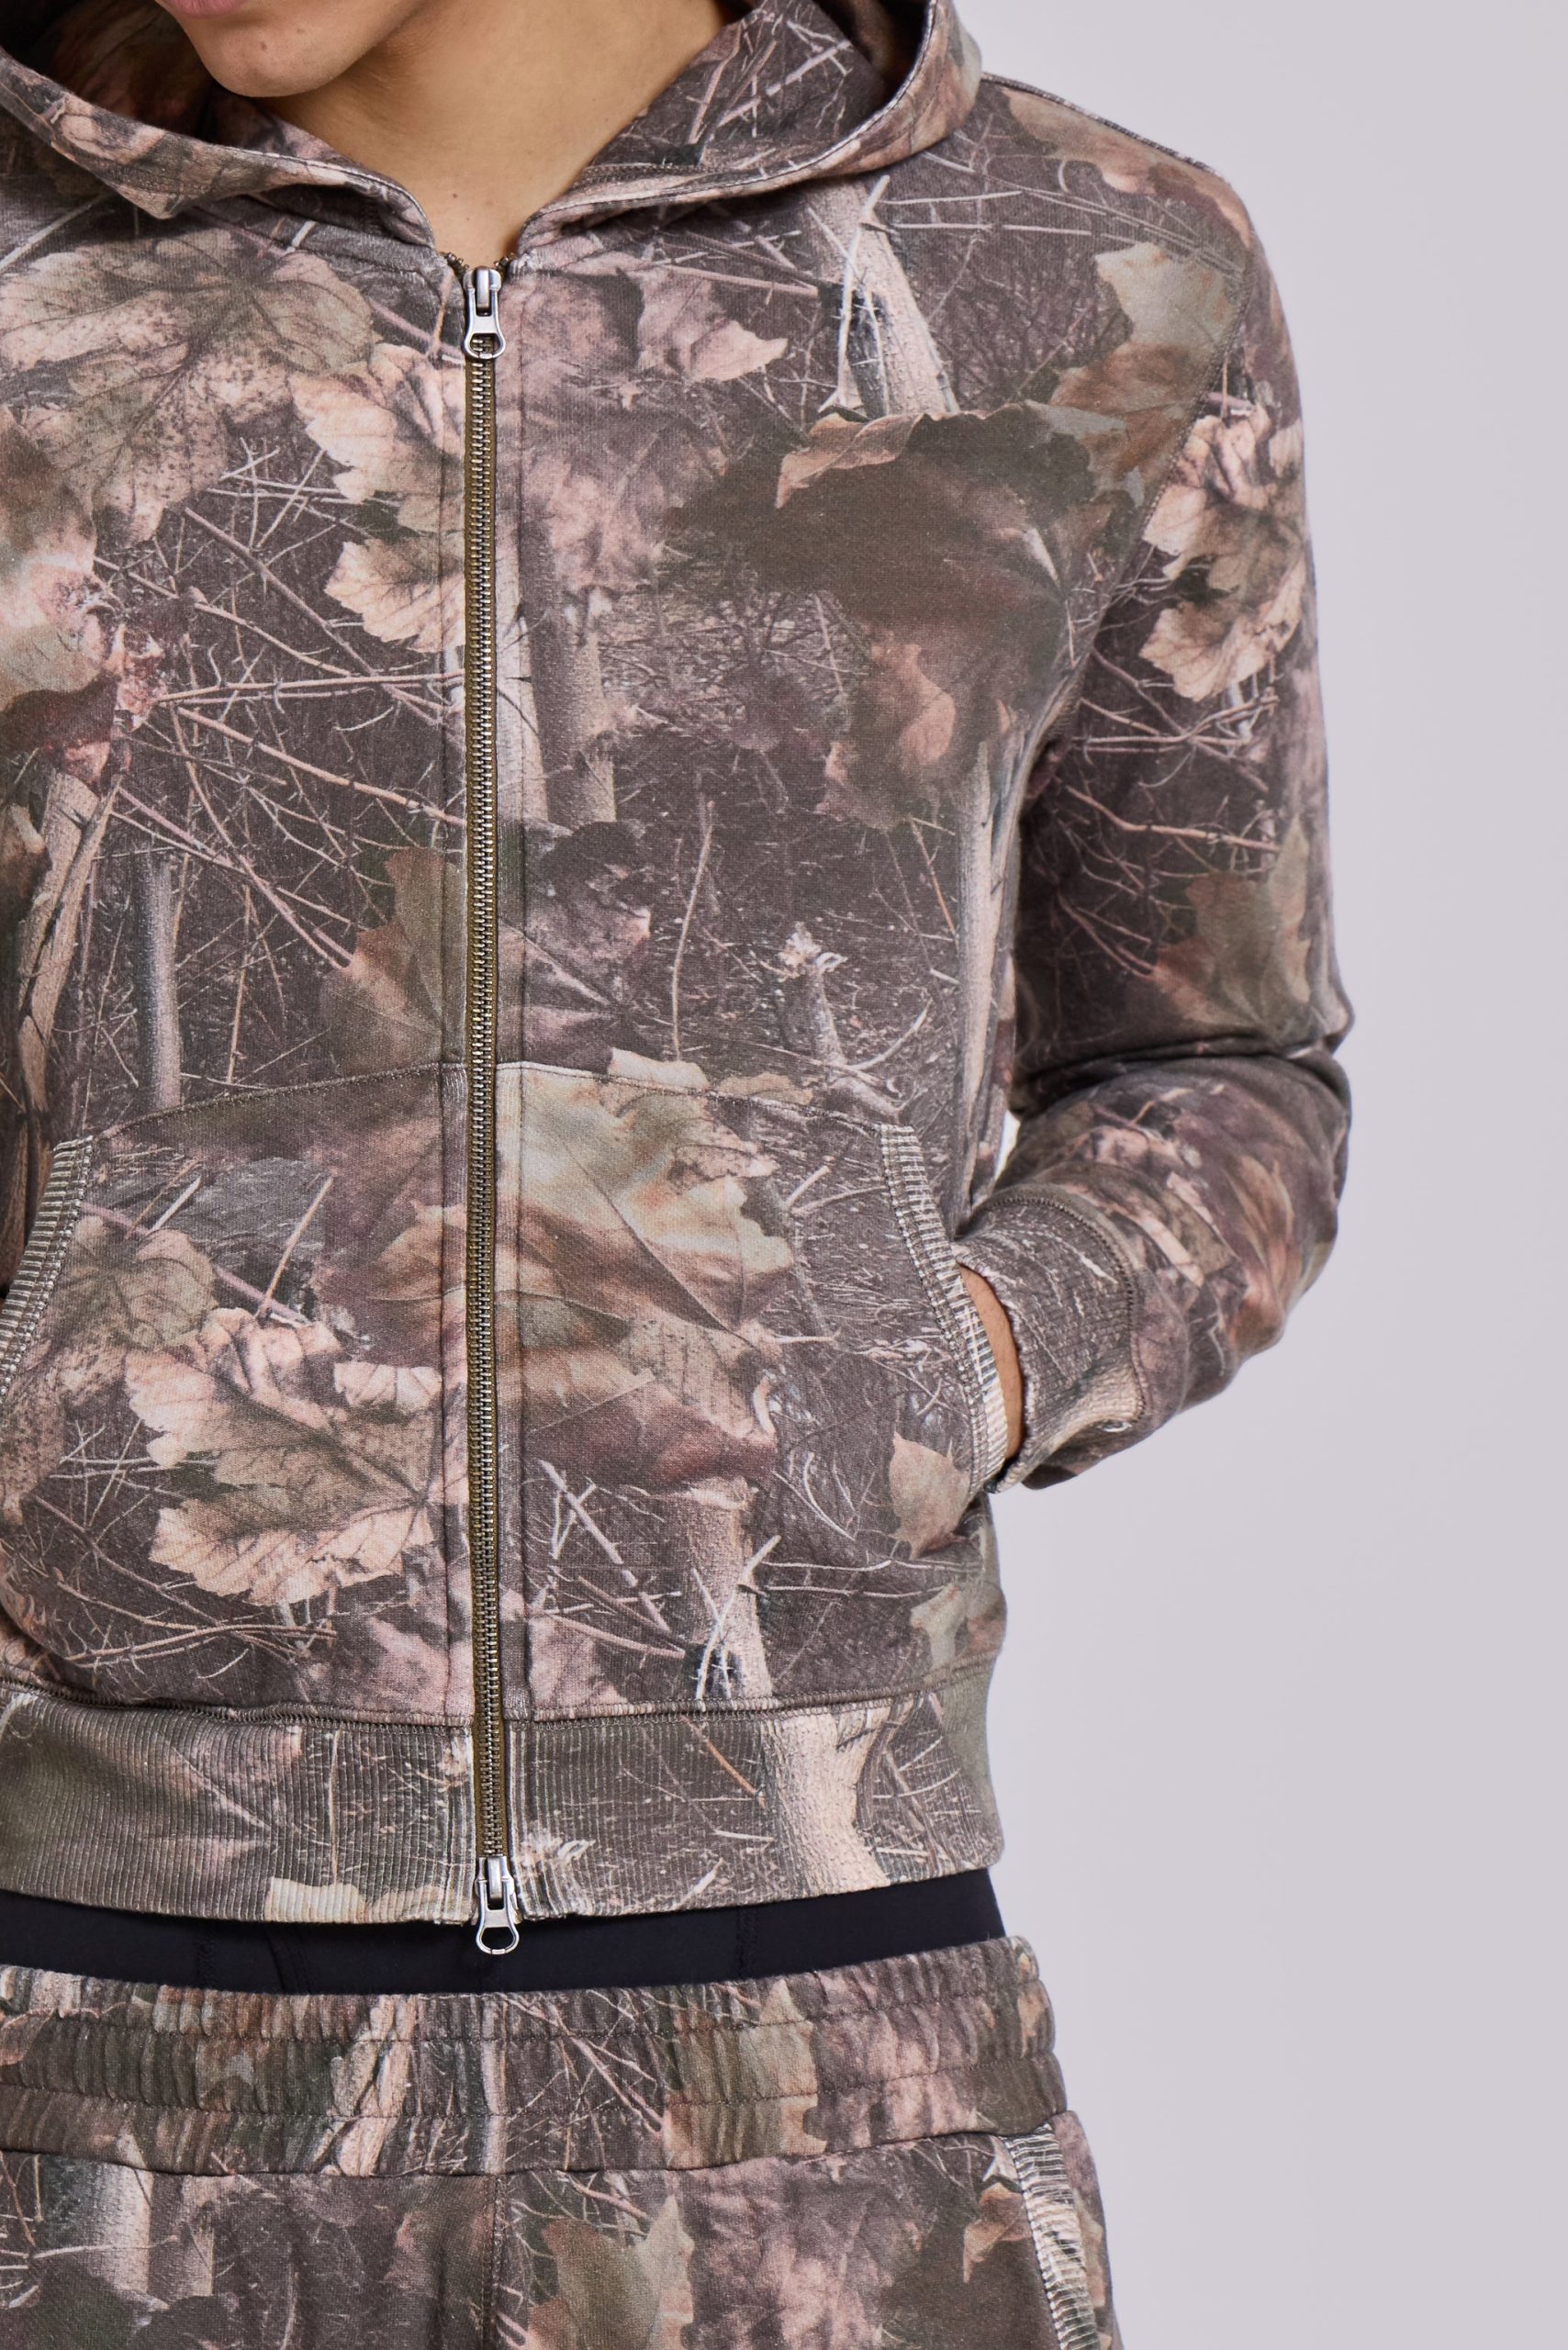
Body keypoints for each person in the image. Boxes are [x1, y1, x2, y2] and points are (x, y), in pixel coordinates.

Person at [0, 0, 1350, 2339]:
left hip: (827, 2090)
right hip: (90, 2088)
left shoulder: (1087, 270)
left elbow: (1219, 1062)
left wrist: (949, 1357)